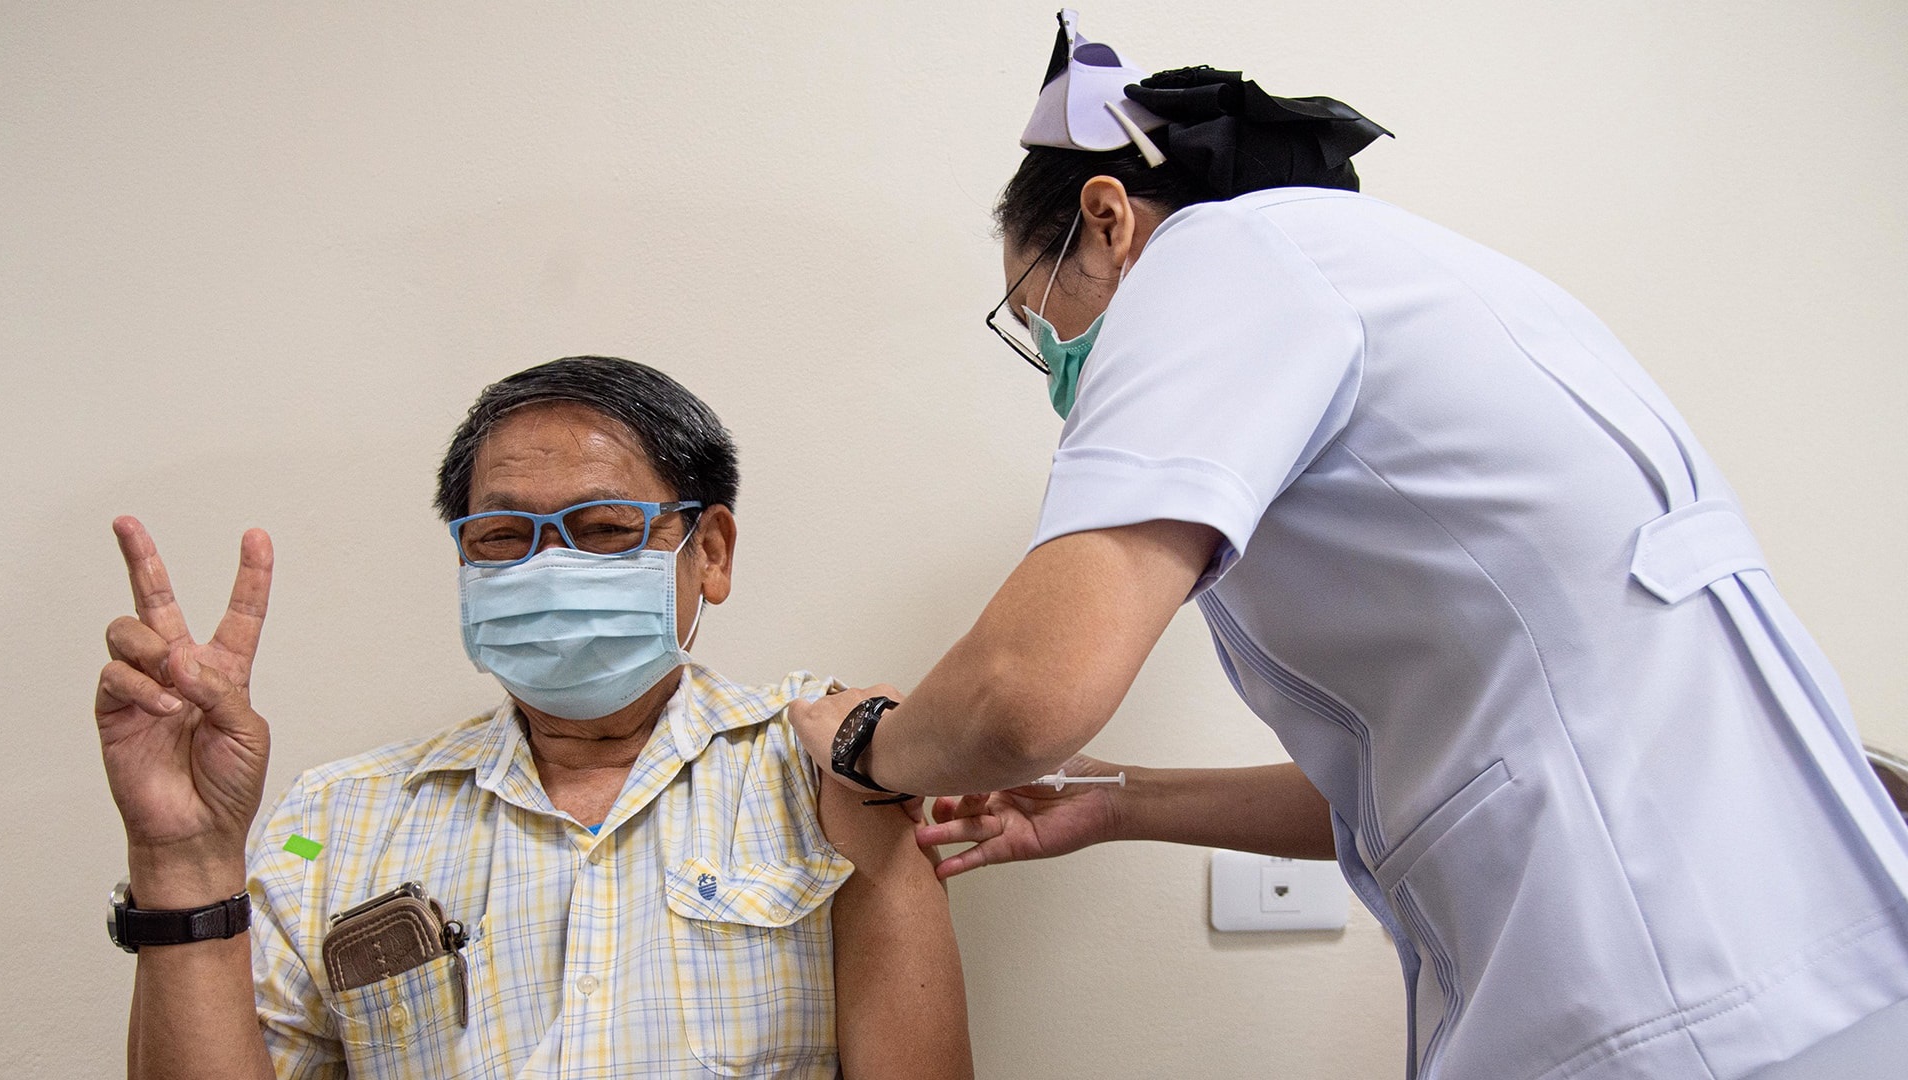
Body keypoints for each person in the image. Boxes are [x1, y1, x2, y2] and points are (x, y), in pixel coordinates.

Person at [787, 10, 1908, 1079]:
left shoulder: (1219, 258)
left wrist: (866, 746)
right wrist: (1119, 801)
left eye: (1037, 314)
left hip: (1672, 992)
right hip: (1799, 960)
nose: (1057, 362)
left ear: (1112, 217)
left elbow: (1023, 696)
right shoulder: (1423, 281)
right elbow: (1445, 773)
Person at [95, 356, 973, 1079]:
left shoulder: (825, 766)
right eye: (504, 538)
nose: (550, 567)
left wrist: (876, 778)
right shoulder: (331, 822)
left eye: (600, 531)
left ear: (709, 551)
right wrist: (184, 862)